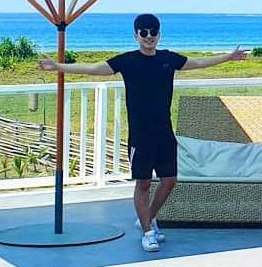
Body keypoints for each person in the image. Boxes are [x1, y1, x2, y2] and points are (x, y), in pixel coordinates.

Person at [39, 13, 246, 252]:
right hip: (140, 134)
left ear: (159, 34)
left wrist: (229, 57)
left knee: (169, 181)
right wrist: (58, 66)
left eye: (153, 32)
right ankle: (148, 232)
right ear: (136, 35)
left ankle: (147, 218)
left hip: (164, 131)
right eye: (144, 33)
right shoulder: (128, 61)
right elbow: (94, 69)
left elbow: (199, 63)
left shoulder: (168, 59)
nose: (149, 37)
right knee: (144, 183)